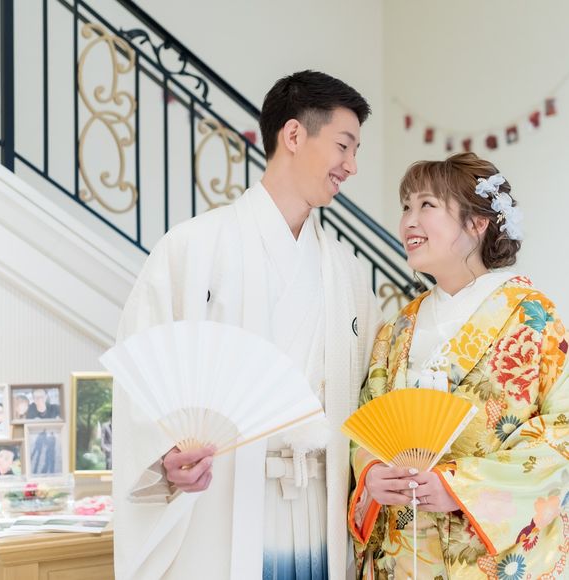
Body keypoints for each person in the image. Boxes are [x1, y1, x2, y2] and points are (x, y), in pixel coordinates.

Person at [113, 70, 382, 580]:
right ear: (294, 135)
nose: (351, 166)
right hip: (222, 502)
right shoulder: (193, 248)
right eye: (344, 146)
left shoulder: (346, 272)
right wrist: (166, 453)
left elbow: (373, 389)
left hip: (318, 505)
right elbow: (140, 374)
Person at [348, 152, 568, 578]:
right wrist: (372, 474)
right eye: (406, 207)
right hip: (404, 553)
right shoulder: (397, 329)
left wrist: (463, 487)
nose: (409, 221)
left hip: (484, 557)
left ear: (477, 223)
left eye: (427, 205)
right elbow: (366, 422)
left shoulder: (531, 318)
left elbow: (562, 432)